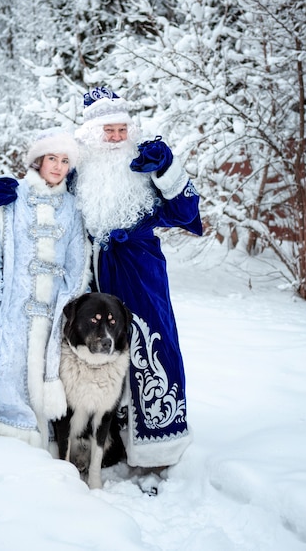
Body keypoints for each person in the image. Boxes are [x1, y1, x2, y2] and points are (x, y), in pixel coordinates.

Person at [73, 86, 202, 469]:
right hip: (93, 271)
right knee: (98, 354)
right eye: (107, 131)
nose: (115, 138)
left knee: (151, 346)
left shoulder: (144, 164)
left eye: (121, 130)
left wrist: (166, 167)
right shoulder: (79, 170)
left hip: (140, 269)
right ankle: (107, 444)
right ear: (92, 134)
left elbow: (184, 211)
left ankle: (157, 451)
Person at [0, 128, 90, 449]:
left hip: (50, 316)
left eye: (65, 160)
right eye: (51, 158)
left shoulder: (72, 209)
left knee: (39, 379)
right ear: (38, 161)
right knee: (5, 373)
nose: (57, 166)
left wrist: (63, 313)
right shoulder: (13, 197)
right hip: (10, 310)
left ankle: (36, 441)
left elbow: (77, 265)